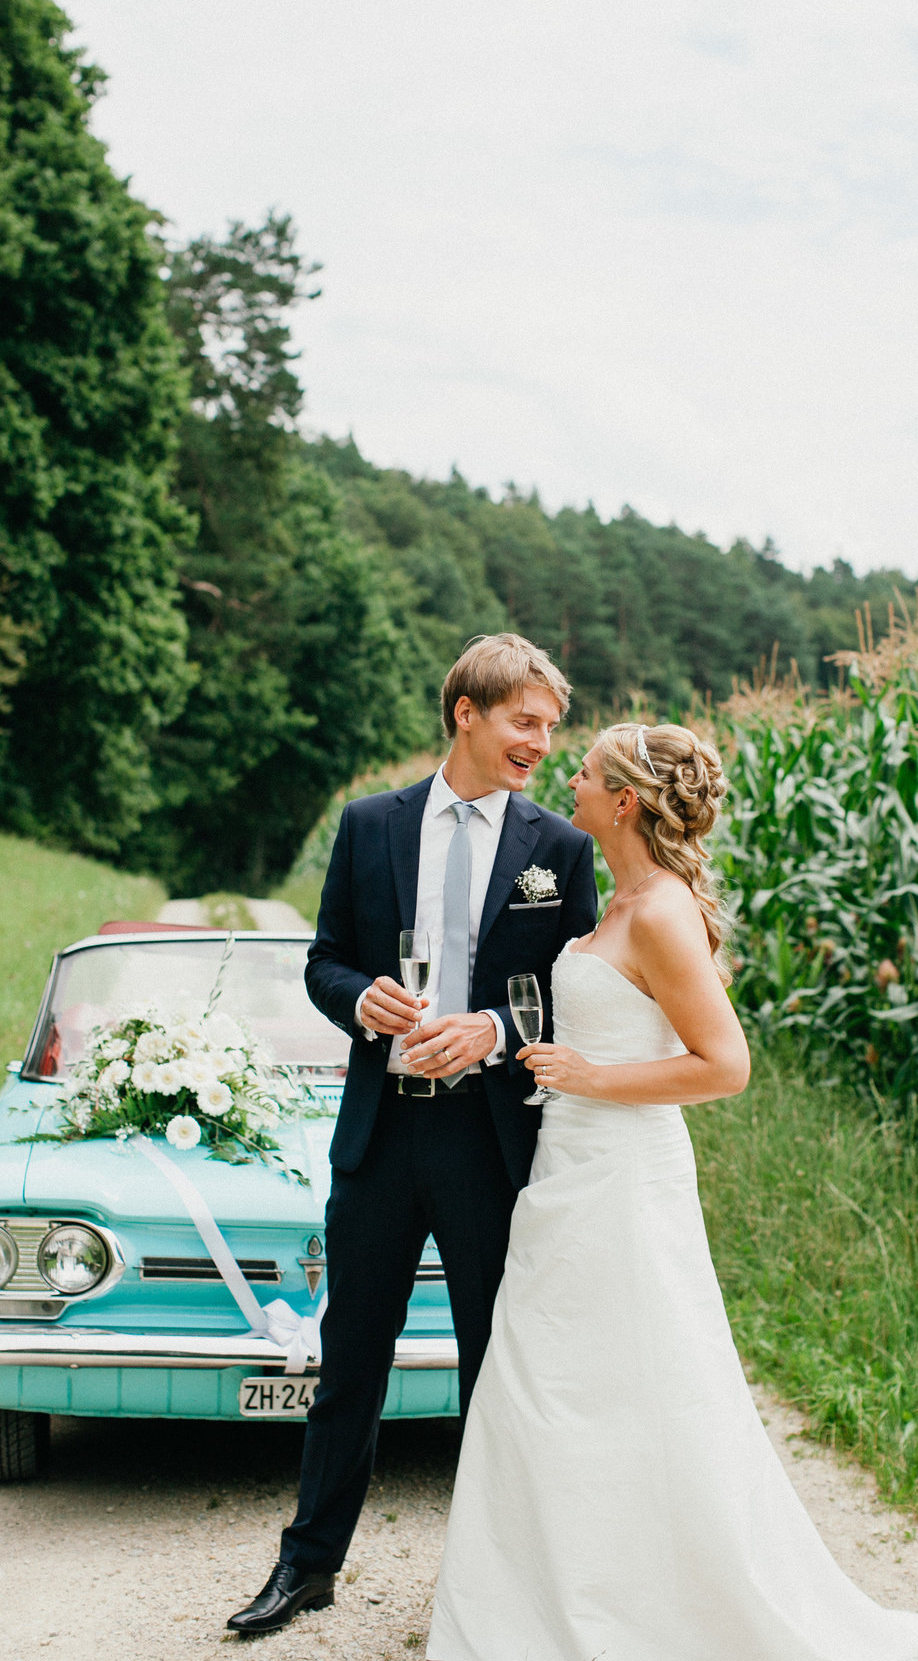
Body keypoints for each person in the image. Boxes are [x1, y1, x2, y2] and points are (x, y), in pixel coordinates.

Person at [427, 722, 918, 1661]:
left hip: (625, 1178)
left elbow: (725, 1066)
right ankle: (551, 1603)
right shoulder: (618, 898)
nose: (571, 781)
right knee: (551, 1390)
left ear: (625, 802)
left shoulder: (663, 910)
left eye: (586, 773)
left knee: (637, 1389)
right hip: (569, 1168)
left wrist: (588, 1077)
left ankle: (653, 1610)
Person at [227, 634, 598, 1635]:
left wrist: (497, 1028)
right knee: (351, 1357)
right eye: (527, 722)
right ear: (467, 714)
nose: (541, 744)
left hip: (489, 1144)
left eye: (551, 728)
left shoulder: (559, 848)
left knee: (493, 1363)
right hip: (382, 1136)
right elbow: (324, 961)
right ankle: (307, 1566)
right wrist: (362, 1003)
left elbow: (582, 996)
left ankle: (494, 1583)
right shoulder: (368, 826)